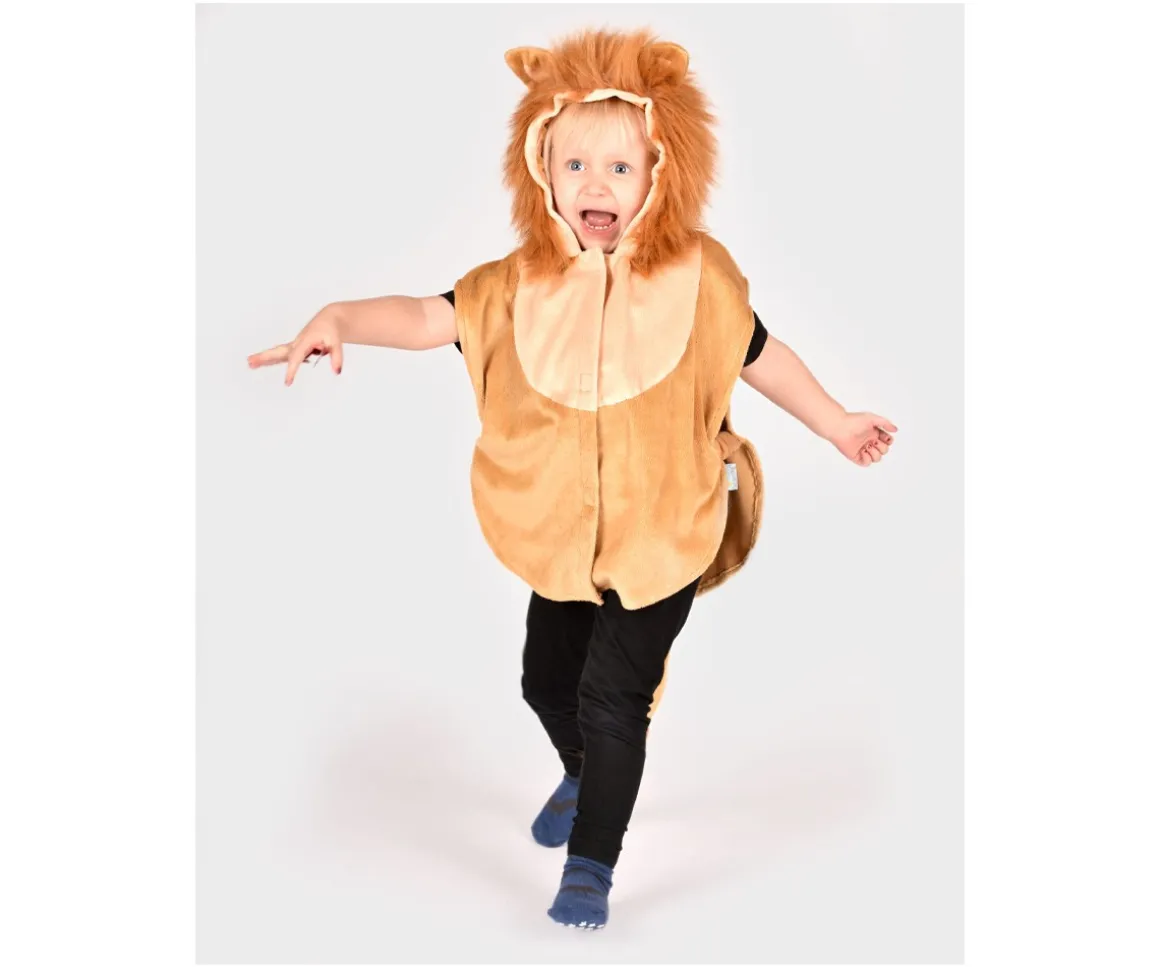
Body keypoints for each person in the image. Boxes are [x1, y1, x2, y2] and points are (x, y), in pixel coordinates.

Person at [248, 27, 898, 932]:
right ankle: (588, 772)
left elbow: (760, 354)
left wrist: (834, 421)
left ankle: (591, 863)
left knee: (611, 699)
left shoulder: (699, 279)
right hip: (562, 536)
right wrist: (340, 318)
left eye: (621, 168)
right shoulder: (515, 285)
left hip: (666, 527)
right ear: (540, 171)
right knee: (545, 682)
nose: (597, 185)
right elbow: (425, 317)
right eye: (577, 164)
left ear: (661, 173)